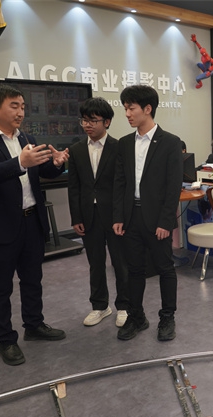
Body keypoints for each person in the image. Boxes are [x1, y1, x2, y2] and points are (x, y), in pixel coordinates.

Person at [0, 84, 70, 366]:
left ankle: (34, 325)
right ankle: (6, 340)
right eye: (14, 106)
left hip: (31, 221)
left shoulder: (27, 138)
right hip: (0, 226)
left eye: (23, 106)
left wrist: (57, 163)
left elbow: (43, 171)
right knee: (0, 287)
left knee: (32, 279)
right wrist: (19, 162)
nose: (21, 112)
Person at [112, 85, 183, 341]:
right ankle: (137, 317)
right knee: (134, 270)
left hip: (157, 220)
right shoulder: (124, 143)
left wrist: (166, 221)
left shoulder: (171, 143)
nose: (127, 114)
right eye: (125, 109)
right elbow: (120, 183)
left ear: (147, 108)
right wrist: (118, 216)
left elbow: (173, 186)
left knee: (165, 269)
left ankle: (167, 317)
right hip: (131, 217)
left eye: (131, 108)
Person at [68, 97, 130, 329]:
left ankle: (124, 306)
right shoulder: (76, 150)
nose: (87, 125)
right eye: (84, 120)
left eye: (93, 120)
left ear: (107, 122)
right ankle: (100, 306)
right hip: (89, 215)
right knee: (95, 263)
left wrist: (121, 216)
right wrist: (76, 217)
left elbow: (123, 186)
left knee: (120, 262)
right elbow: (74, 187)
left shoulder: (119, 147)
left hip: (114, 216)